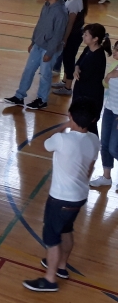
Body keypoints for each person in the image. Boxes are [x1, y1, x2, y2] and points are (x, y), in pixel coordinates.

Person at [23, 101, 98, 292]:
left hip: (60, 199)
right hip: (79, 196)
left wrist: (63, 127)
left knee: (52, 238)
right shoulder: (94, 140)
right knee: (66, 229)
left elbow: (42, 144)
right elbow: (90, 169)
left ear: (70, 116)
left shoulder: (62, 139)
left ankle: (50, 280)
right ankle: (62, 267)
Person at [5, 0, 68, 110]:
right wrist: (33, 41)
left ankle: (42, 100)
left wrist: (49, 52)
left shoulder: (61, 12)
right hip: (38, 45)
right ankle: (19, 96)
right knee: (28, 70)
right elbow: (39, 25)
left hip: (49, 49)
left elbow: (58, 35)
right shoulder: (46, 6)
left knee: (45, 75)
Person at [70, 24, 111, 135]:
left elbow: (88, 76)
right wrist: (76, 68)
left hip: (90, 97)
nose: (83, 36)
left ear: (95, 39)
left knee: (88, 126)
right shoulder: (88, 49)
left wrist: (78, 72)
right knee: (78, 124)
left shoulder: (98, 56)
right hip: (81, 92)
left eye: (86, 35)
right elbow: (79, 62)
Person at [52, 0, 88, 97]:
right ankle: (64, 82)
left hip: (73, 36)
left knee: (69, 60)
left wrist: (65, 39)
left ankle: (68, 87)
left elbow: (70, 24)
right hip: (72, 35)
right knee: (66, 58)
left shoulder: (76, 1)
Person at [89, 51, 118, 189]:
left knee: (114, 148)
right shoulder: (115, 65)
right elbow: (105, 84)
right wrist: (109, 76)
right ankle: (106, 177)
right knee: (105, 144)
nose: (115, 52)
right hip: (109, 109)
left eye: (117, 50)